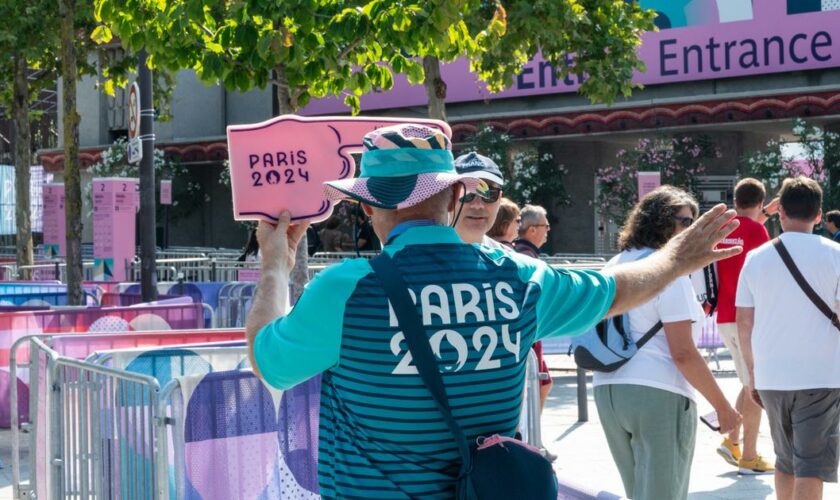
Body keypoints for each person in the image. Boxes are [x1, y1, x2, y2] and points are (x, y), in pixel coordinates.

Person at [245, 123, 742, 499]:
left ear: (372, 207)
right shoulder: (520, 279)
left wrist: (275, 267)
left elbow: (269, 361)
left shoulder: (346, 290)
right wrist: (677, 258)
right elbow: (618, 289)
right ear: (456, 194)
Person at [593, 186, 741, 500]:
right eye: (686, 221)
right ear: (661, 222)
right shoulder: (668, 269)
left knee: (638, 493)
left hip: (607, 389)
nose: (693, 229)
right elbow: (683, 353)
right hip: (658, 391)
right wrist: (723, 407)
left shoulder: (614, 263)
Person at [738, 177, 840, 500]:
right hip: (821, 375)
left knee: (785, 461)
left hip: (771, 376)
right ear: (819, 215)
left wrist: (752, 373)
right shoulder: (835, 254)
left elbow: (744, 321)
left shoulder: (755, 258)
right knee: (810, 465)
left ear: (779, 212)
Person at [714, 178, 777, 475]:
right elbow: (766, 268)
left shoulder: (722, 229)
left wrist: (764, 216)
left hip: (724, 315)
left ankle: (733, 441)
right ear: (761, 202)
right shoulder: (758, 231)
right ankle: (749, 457)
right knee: (755, 385)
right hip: (749, 318)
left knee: (747, 378)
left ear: (735, 200)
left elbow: (742, 235)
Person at [452, 151, 508, 250]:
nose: (478, 205)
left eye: (489, 194)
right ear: (448, 197)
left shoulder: (510, 261)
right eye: (467, 193)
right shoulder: (421, 259)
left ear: (499, 199)